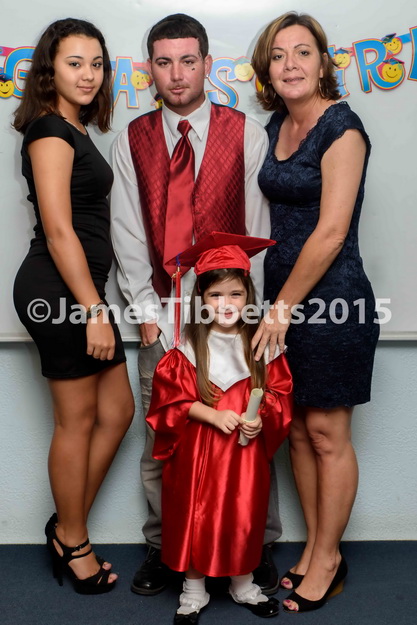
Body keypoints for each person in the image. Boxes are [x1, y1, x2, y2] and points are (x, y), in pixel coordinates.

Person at [111, 13, 281, 596]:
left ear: (207, 64)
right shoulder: (132, 139)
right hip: (164, 320)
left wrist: (250, 316)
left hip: (233, 319)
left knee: (250, 433)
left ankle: (256, 545)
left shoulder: (246, 133)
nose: (177, 74)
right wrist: (146, 316)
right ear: (149, 69)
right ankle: (166, 549)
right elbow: (127, 232)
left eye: (188, 61)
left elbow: (258, 231)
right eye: (164, 62)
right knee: (164, 440)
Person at [251, 11, 380, 612]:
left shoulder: (342, 128)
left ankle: (329, 558)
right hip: (282, 304)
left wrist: (280, 310)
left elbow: (330, 233)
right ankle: (311, 548)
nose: (291, 64)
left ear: (323, 61)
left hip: (332, 302)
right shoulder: (276, 124)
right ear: (267, 69)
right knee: (298, 432)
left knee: (328, 434)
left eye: (303, 52)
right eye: (279, 55)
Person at [13, 18, 134, 594]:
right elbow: (59, 231)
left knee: (118, 412)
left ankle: (66, 528)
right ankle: (75, 543)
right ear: (49, 70)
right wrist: (93, 310)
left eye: (97, 64)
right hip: (59, 292)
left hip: (79, 291)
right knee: (78, 420)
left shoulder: (74, 127)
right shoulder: (48, 131)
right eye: (74, 63)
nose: (88, 75)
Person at [146, 232, 293, 624]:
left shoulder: (262, 345)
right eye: (215, 295)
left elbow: (279, 393)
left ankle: (242, 583)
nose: (226, 304)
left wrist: (261, 417)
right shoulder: (187, 347)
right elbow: (169, 402)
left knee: (243, 515)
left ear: (249, 296)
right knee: (195, 514)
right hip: (197, 455)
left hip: (244, 458)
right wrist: (212, 415)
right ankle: (193, 590)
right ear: (200, 298)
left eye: (235, 294)